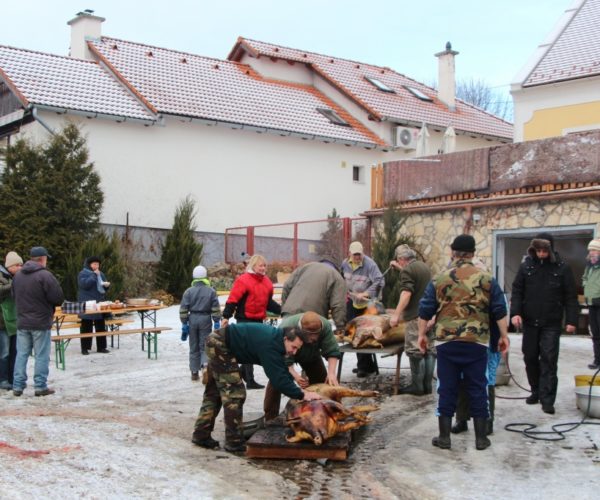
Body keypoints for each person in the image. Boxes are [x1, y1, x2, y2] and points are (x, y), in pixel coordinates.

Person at [418, 235, 509, 451]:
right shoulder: (487, 279)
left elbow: (425, 309)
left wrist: (421, 335)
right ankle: (480, 438)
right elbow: (499, 309)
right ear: (472, 253)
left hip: (446, 342)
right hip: (476, 342)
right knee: (478, 386)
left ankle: (444, 437)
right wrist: (504, 336)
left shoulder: (439, 279)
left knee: (447, 387)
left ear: (453, 252)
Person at [191, 322, 322, 452]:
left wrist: (299, 391)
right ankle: (234, 442)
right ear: (286, 339)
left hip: (217, 341)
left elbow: (281, 371)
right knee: (234, 395)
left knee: (214, 393)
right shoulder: (270, 345)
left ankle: (201, 434)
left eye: (297, 349)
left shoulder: (277, 342)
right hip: (220, 345)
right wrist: (302, 394)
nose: (294, 352)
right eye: (293, 347)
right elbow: (278, 379)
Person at [510, 232, 578, 414]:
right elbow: (517, 291)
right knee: (530, 356)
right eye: (538, 251)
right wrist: (515, 313)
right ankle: (535, 390)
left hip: (552, 322)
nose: (541, 254)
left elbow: (570, 296)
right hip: (530, 321)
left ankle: (548, 399)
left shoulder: (562, 268)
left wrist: (572, 320)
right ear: (533, 250)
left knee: (549, 359)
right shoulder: (526, 267)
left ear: (550, 250)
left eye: (544, 251)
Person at [263, 311, 341, 421]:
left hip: (312, 355)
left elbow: (332, 350)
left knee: (324, 383)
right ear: (301, 330)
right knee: (277, 380)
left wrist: (332, 373)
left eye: (316, 335)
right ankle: (270, 417)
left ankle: (328, 413)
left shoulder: (325, 326)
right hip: (287, 354)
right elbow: (282, 357)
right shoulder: (286, 327)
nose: (313, 338)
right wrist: (294, 375)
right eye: (310, 336)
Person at [222, 254, 281, 389]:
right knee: (246, 349)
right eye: (260, 265)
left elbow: (268, 303)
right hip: (244, 319)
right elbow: (233, 300)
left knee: (254, 350)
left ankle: (244, 373)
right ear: (253, 266)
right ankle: (249, 380)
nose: (263, 268)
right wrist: (226, 316)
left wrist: (282, 310)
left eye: (265, 265)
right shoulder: (243, 280)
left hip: (258, 320)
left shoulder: (267, 282)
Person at [12, 246, 64, 397]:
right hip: (40, 322)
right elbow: (57, 298)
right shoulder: (45, 276)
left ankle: (17, 386)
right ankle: (40, 386)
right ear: (43, 259)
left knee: (21, 354)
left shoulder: (18, 276)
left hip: (22, 321)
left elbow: (14, 295)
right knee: (41, 355)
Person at [388, 244, 433, 395]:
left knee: (415, 351)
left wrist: (396, 315)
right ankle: (427, 386)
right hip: (429, 316)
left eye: (398, 260)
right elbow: (413, 276)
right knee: (428, 350)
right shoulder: (423, 267)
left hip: (415, 317)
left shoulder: (407, 270)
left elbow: (406, 293)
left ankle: (417, 387)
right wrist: (400, 269)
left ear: (401, 259)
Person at [341, 241, 384, 377]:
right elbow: (341, 279)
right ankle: (365, 365)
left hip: (367, 305)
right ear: (350, 254)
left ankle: (364, 367)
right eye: (355, 255)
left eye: (359, 254)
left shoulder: (370, 264)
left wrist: (366, 293)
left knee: (365, 333)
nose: (358, 257)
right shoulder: (344, 264)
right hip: (352, 302)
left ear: (363, 253)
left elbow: (380, 281)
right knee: (354, 333)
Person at [281, 257, 347, 331]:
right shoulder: (337, 277)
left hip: (289, 315)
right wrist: (340, 327)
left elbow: (286, 287)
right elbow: (338, 305)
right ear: (337, 268)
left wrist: (285, 309)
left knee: (285, 341)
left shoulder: (305, 267)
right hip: (311, 320)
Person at [180, 265, 221, 382]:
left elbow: (183, 309)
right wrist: (216, 321)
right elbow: (215, 308)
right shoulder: (211, 291)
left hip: (192, 318)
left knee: (193, 346)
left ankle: (194, 372)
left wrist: (184, 323)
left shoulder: (188, 291)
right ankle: (205, 367)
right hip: (205, 319)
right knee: (204, 345)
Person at [77, 256, 111, 355]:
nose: (96, 266)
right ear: (89, 265)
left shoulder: (101, 274)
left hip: (99, 303)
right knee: (86, 326)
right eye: (94, 264)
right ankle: (85, 348)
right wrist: (93, 276)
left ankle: (101, 347)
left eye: (97, 264)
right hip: (87, 303)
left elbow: (103, 288)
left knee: (100, 325)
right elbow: (84, 285)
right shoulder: (82, 274)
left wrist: (106, 286)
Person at [0, 251, 23, 390]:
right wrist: (14, 284)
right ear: (10, 266)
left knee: (14, 352)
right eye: (18, 265)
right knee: (4, 353)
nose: (21, 267)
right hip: (2, 323)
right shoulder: (2, 276)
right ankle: (2, 380)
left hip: (14, 321)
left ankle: (12, 378)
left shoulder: (15, 277)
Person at [582, 238, 600, 370]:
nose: (592, 253)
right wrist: (585, 285)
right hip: (591, 303)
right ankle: (597, 360)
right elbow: (584, 278)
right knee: (595, 333)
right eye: (590, 250)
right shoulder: (589, 266)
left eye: (594, 250)